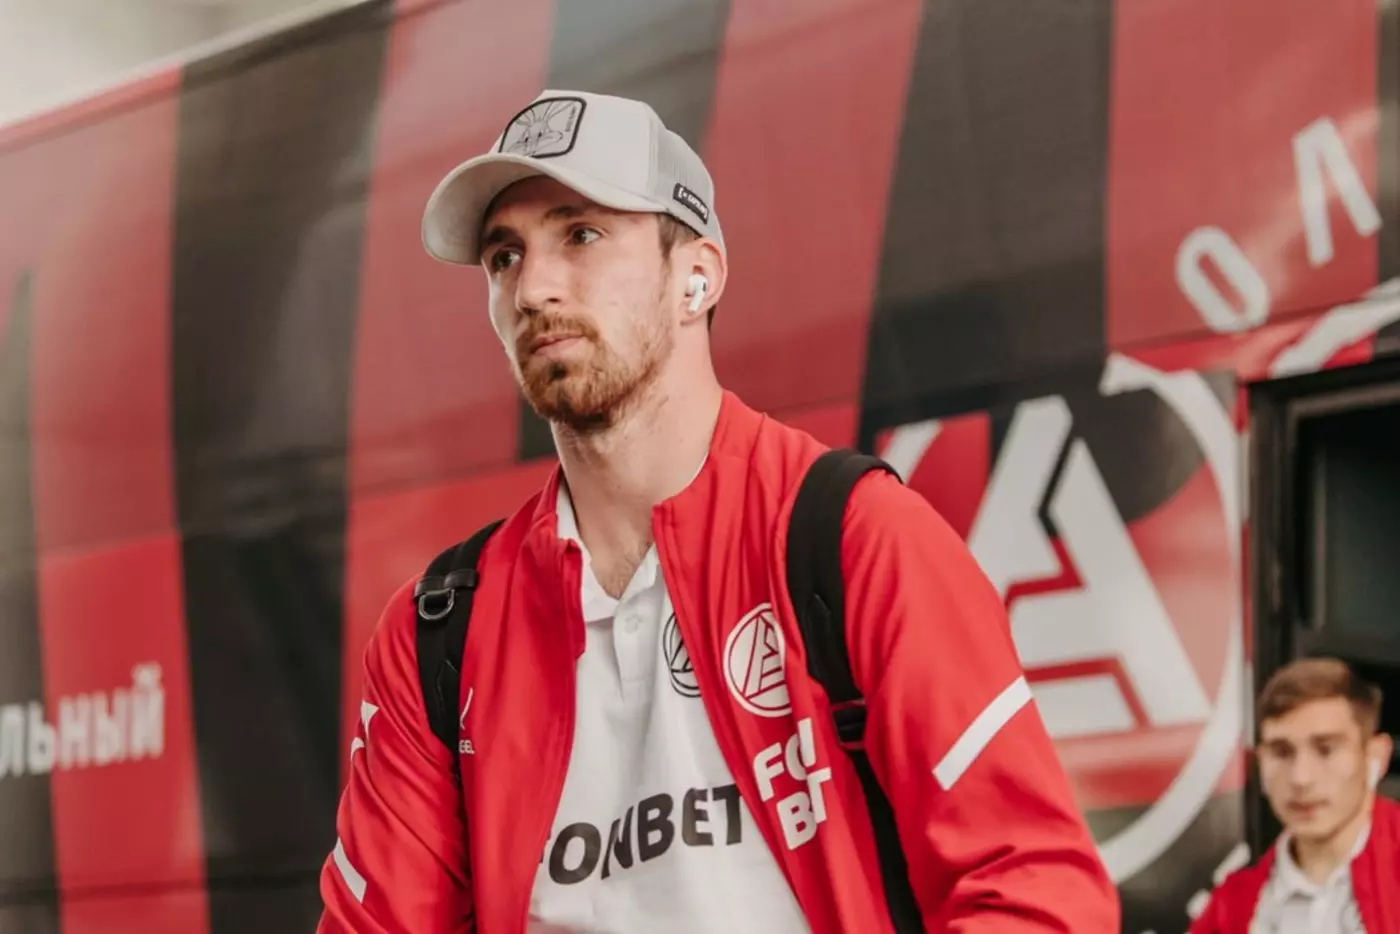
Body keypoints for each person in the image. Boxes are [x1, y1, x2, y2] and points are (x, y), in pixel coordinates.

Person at [316, 88, 1119, 933]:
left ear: (695, 277)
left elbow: (1035, 892)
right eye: (504, 256)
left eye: (580, 234)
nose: (532, 288)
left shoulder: (853, 537)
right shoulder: (435, 634)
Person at [1190, 657, 1399, 933]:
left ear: (1376, 756)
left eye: (1326, 750)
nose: (1301, 778)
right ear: (1261, 762)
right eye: (1281, 752)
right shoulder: (1230, 909)